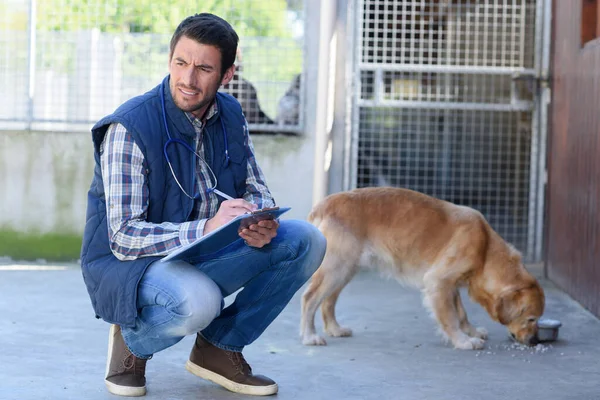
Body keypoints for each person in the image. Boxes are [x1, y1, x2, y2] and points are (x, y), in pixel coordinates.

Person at [80, 13, 327, 397]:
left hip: (204, 250)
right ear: (169, 60)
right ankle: (132, 343)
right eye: (181, 63)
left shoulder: (230, 113)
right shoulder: (129, 127)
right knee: (199, 301)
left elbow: (254, 185)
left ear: (227, 74)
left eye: (204, 68)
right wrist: (209, 227)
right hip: (134, 266)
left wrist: (257, 219)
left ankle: (218, 348)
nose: (188, 80)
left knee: (306, 239)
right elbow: (124, 238)